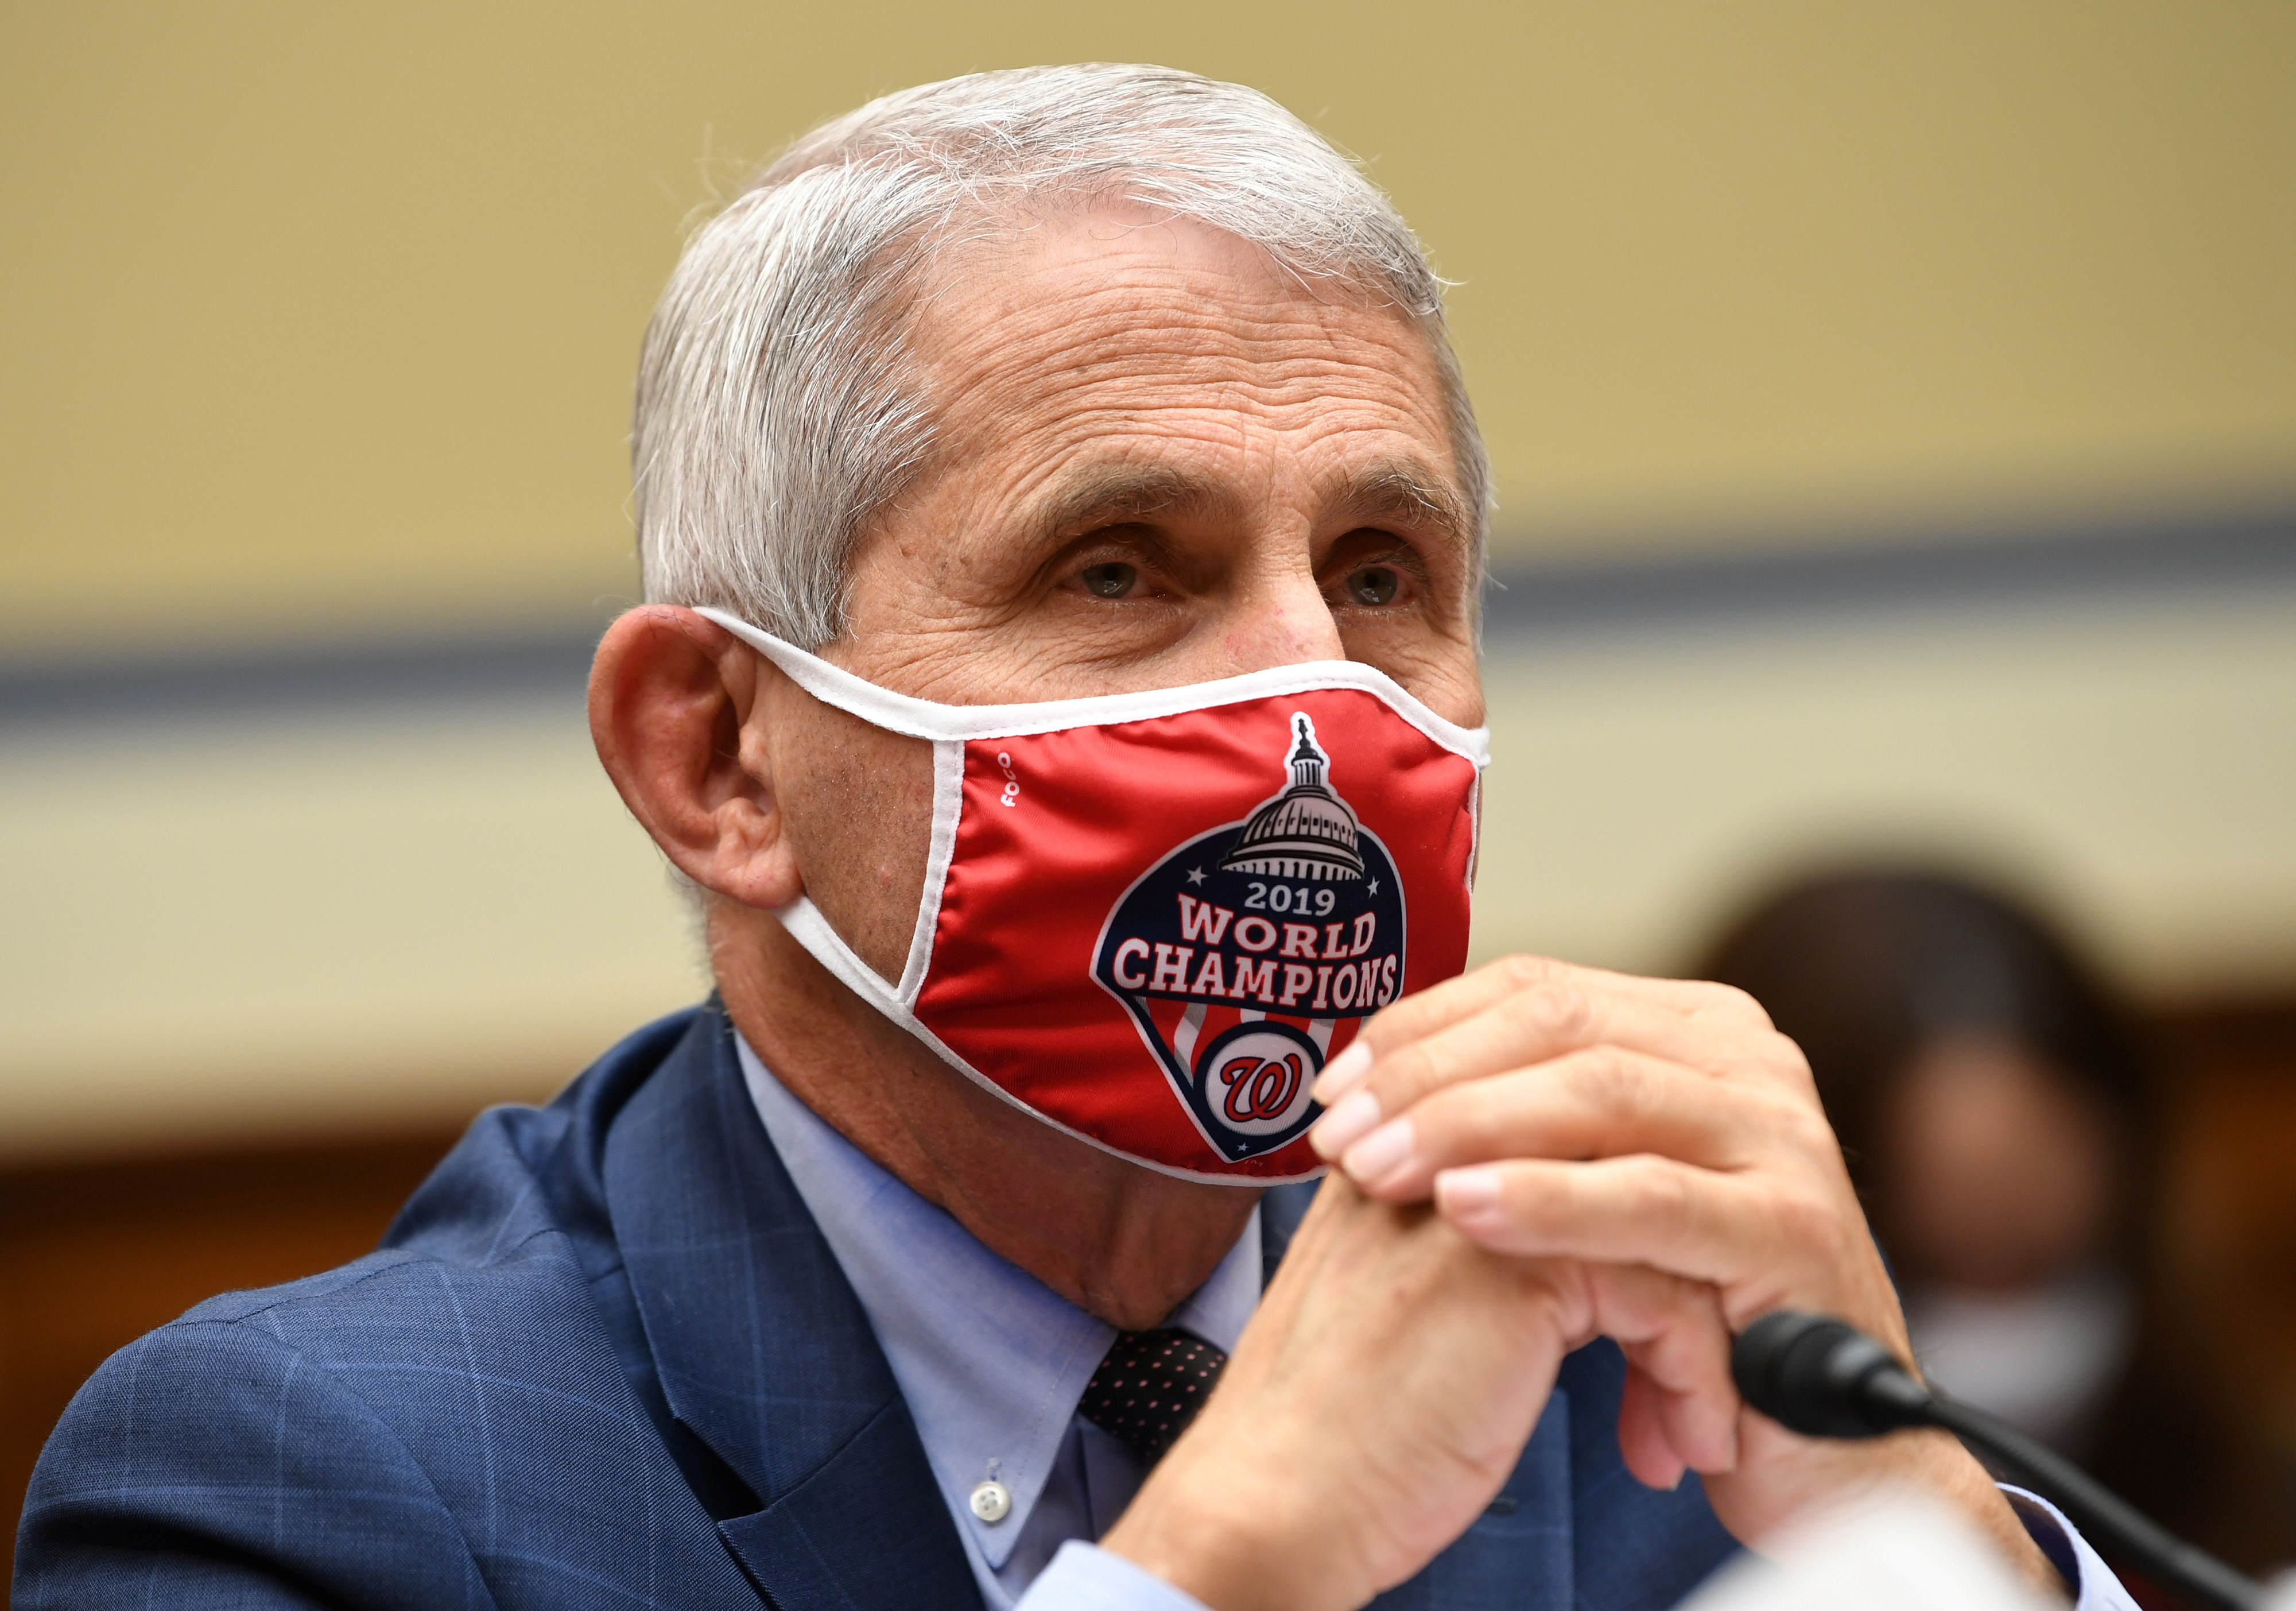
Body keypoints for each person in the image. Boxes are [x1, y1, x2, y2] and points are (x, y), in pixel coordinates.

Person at [14, 66, 2136, 1611]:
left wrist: (1942, 1529)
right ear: (718, 758)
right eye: (1121, 570)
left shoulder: (1635, 1370)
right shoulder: (309, 1488)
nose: (1316, 704)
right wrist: (1228, 1560)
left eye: (1385, 574)